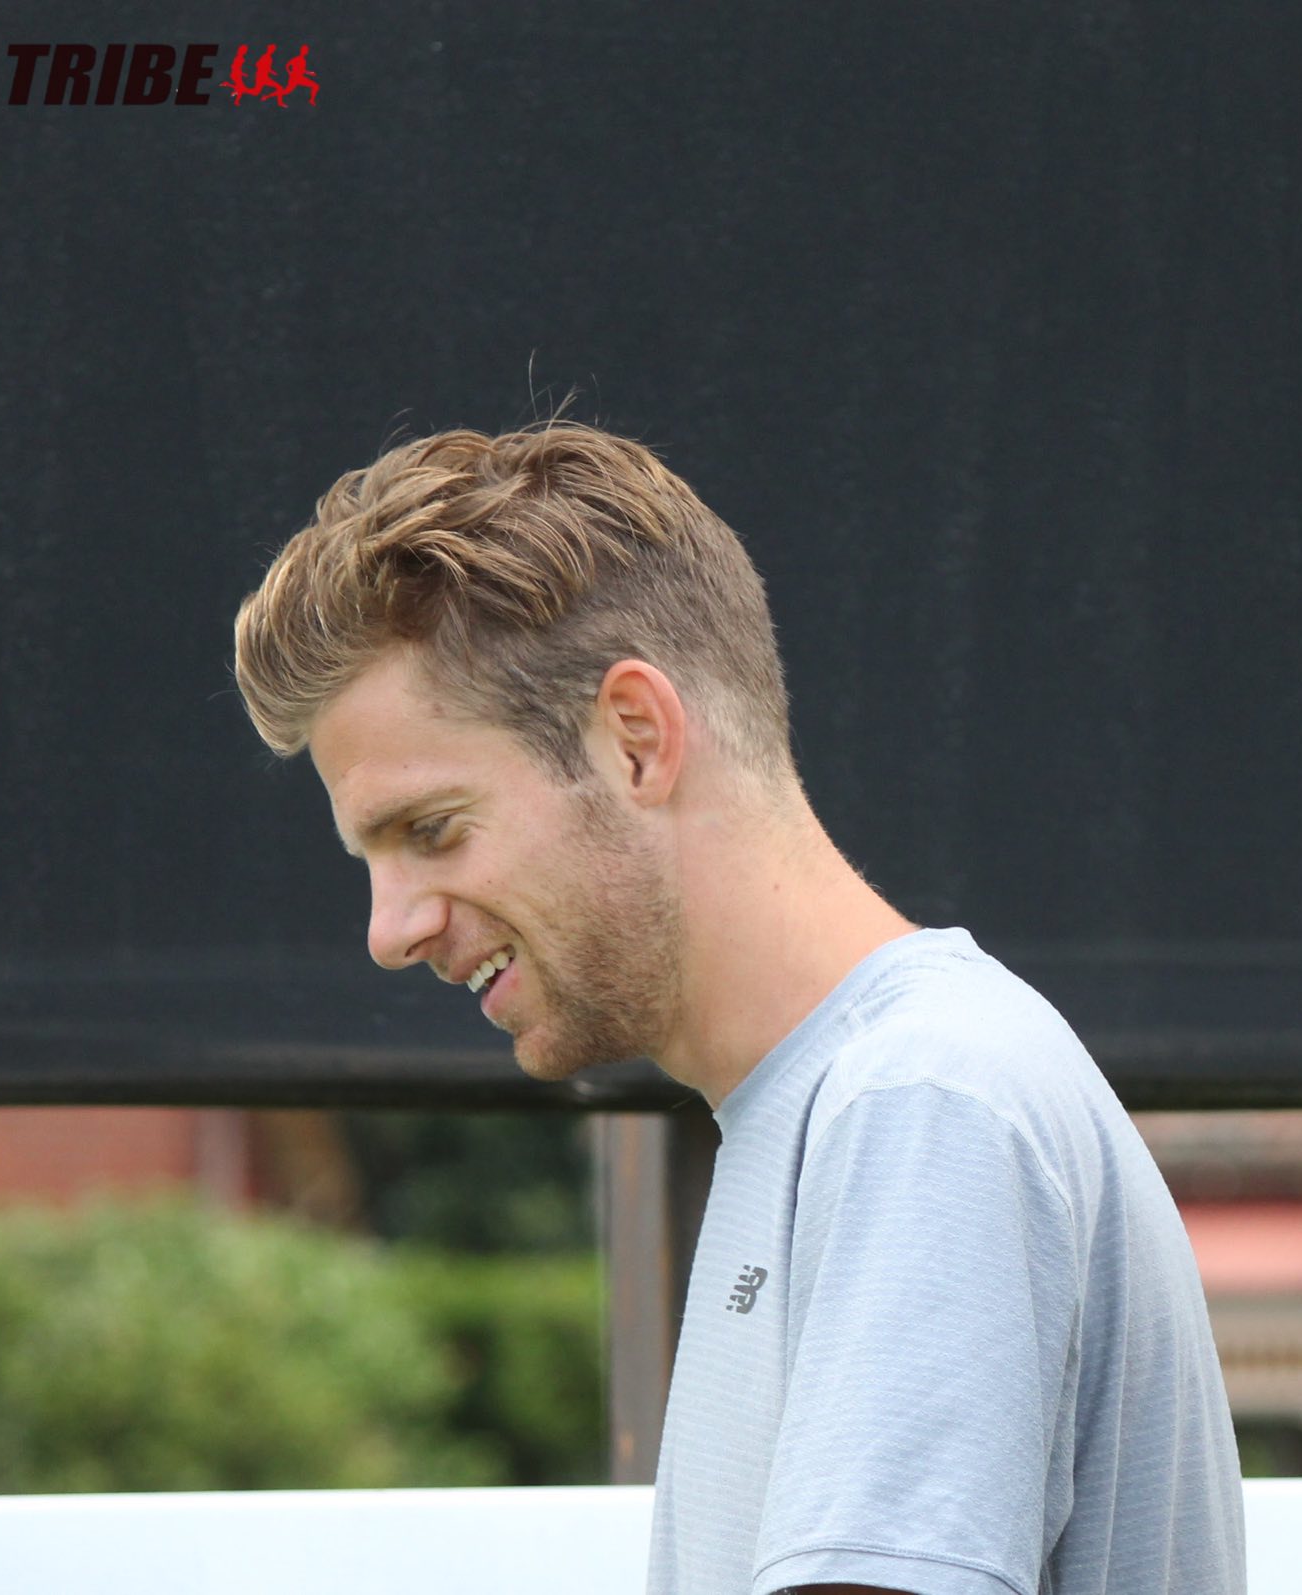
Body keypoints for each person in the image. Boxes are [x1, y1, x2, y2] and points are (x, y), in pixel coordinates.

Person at [233, 422, 1244, 1595]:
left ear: (635, 738)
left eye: (431, 829)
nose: (389, 928)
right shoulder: (853, 1102)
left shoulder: (917, 1103)